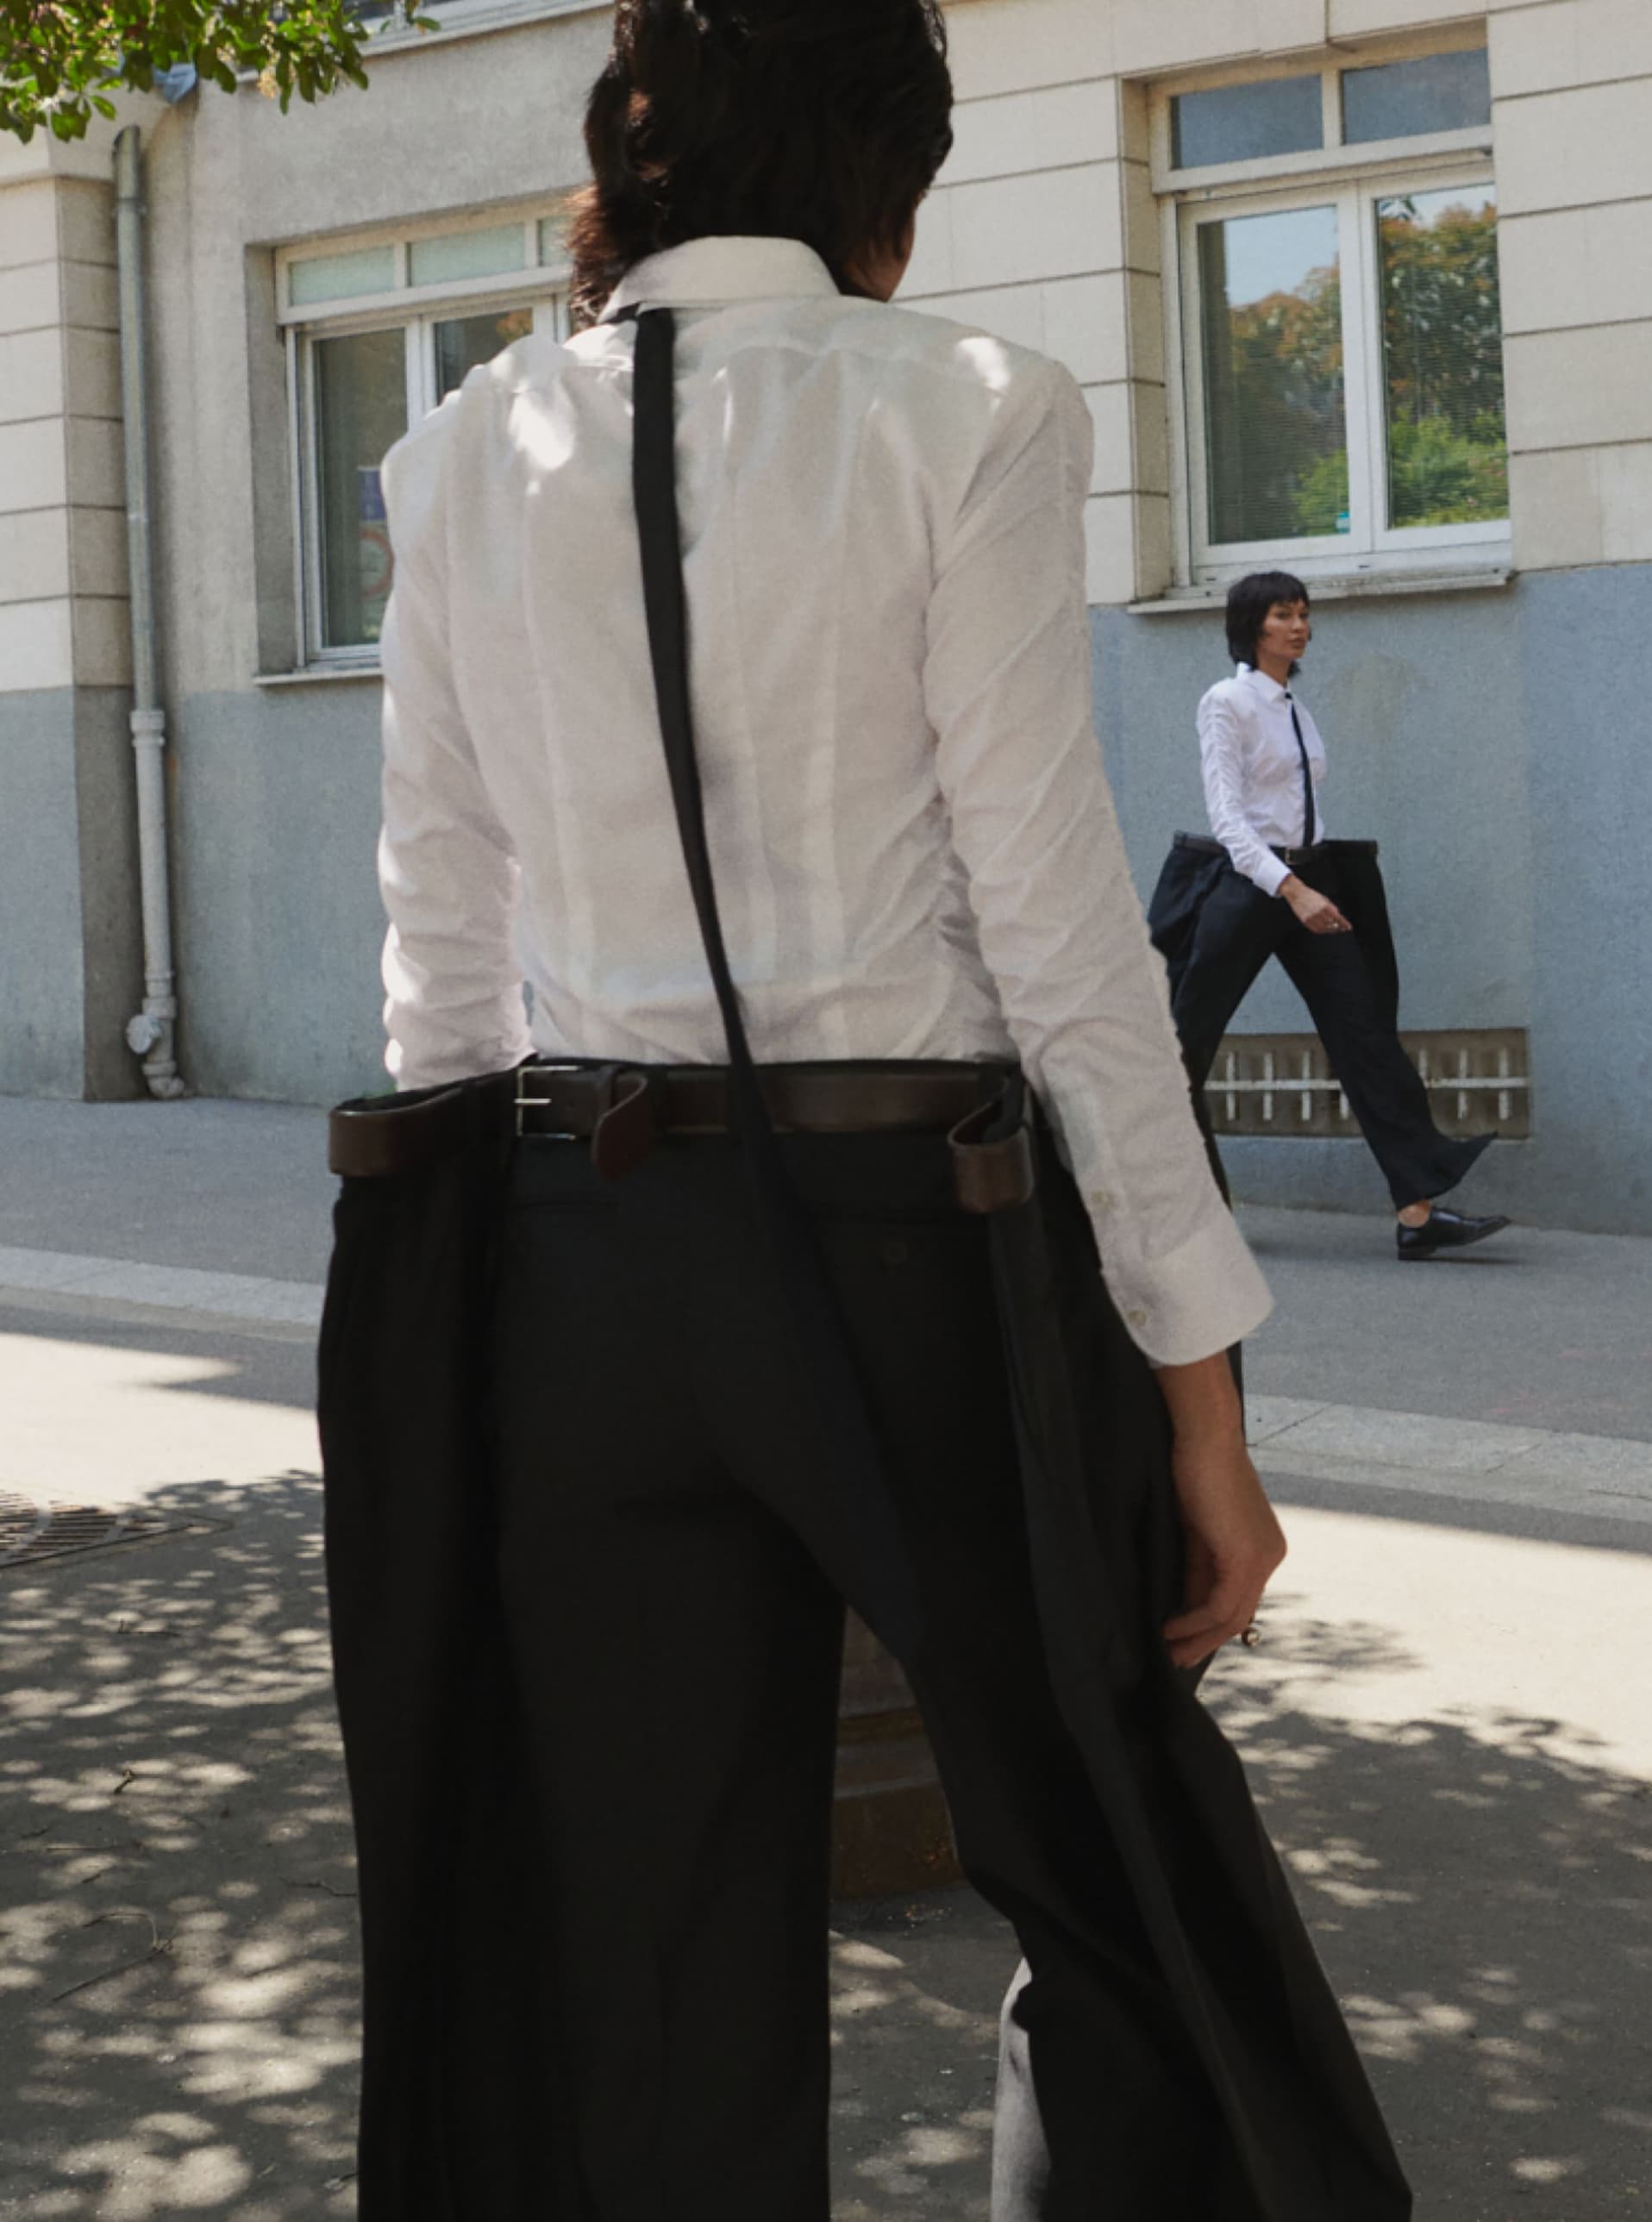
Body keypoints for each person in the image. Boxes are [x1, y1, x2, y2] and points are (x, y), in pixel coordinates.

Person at [350, 2, 1407, 2213]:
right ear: (882, 180)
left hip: (567, 1259)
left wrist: (448, 1360)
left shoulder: (458, 450)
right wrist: (1201, 1394)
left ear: (626, 153)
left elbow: (436, 961)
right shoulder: (971, 407)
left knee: (635, 1960)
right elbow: (1048, 924)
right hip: (905, 1246)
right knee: (1124, 1877)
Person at [1149, 573, 1509, 1261]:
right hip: (1255, 887)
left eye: (1304, 613)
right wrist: (1291, 888)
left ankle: (1417, 1209)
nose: (1298, 625)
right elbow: (1229, 819)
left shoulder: (1294, 707)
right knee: (1181, 1047)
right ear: (1251, 625)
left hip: (1310, 879)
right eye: (1283, 614)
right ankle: (1170, 1207)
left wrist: (1317, 882)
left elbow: (1302, 805)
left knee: (1365, 1033)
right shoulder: (1226, 702)